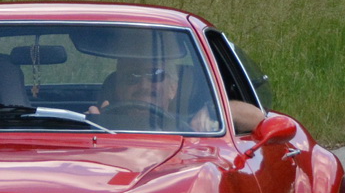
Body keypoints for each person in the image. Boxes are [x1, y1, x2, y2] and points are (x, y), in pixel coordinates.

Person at [90, 55, 267, 134]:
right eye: (131, 77)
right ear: (118, 89)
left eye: (155, 75)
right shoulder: (98, 124)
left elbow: (260, 119)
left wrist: (214, 111)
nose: (144, 85)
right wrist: (92, 124)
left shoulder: (191, 124)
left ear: (172, 88)